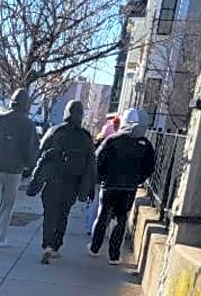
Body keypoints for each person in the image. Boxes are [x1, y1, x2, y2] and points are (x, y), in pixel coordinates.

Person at [25, 99, 97, 264]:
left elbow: (40, 153)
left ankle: (47, 245)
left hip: (53, 181)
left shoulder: (54, 131)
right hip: (72, 184)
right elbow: (91, 165)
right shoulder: (85, 137)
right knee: (63, 214)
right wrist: (88, 188)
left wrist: (36, 177)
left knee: (49, 214)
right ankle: (56, 246)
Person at [89, 107, 156, 265]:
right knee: (121, 219)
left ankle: (95, 247)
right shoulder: (145, 144)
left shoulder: (112, 140)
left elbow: (98, 160)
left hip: (109, 185)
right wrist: (138, 180)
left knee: (103, 216)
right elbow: (150, 167)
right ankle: (114, 255)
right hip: (129, 187)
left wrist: (101, 178)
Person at [0, 88, 40, 252]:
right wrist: (30, 166)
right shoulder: (28, 125)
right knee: (8, 204)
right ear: (26, 105)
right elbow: (31, 149)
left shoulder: (0, 118)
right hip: (15, 170)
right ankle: (0, 237)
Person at [85, 114, 120, 235]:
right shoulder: (115, 145)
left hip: (96, 179)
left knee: (93, 204)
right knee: (104, 207)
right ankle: (100, 230)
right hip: (109, 180)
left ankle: (90, 228)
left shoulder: (97, 145)